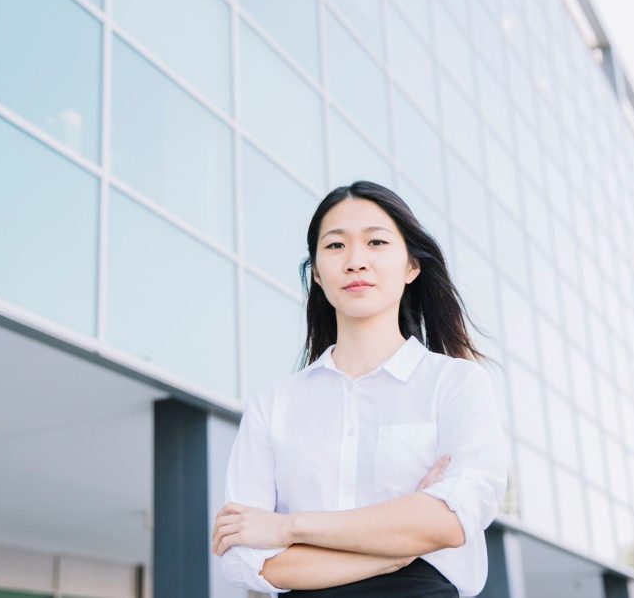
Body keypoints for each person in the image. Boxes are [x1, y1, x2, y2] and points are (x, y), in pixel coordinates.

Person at [211, 180, 509, 596]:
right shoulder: (273, 405)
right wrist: (398, 547)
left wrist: (287, 526)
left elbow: (451, 520)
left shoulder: (455, 384)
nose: (355, 261)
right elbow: (244, 558)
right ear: (316, 272)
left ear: (412, 266)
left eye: (376, 243)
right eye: (335, 246)